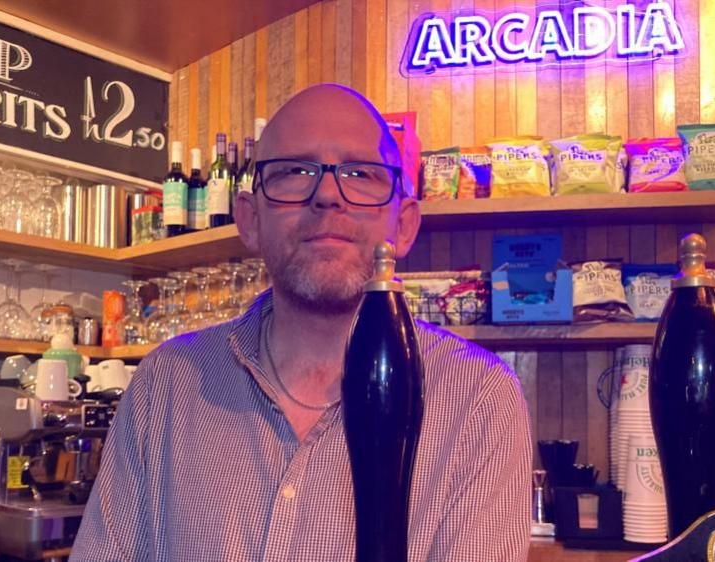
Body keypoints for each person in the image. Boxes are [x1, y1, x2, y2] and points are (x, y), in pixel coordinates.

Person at [71, 84, 532, 562]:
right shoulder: (165, 382)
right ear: (249, 220)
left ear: (404, 225)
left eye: (360, 173)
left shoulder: (479, 397)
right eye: (294, 172)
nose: (328, 195)